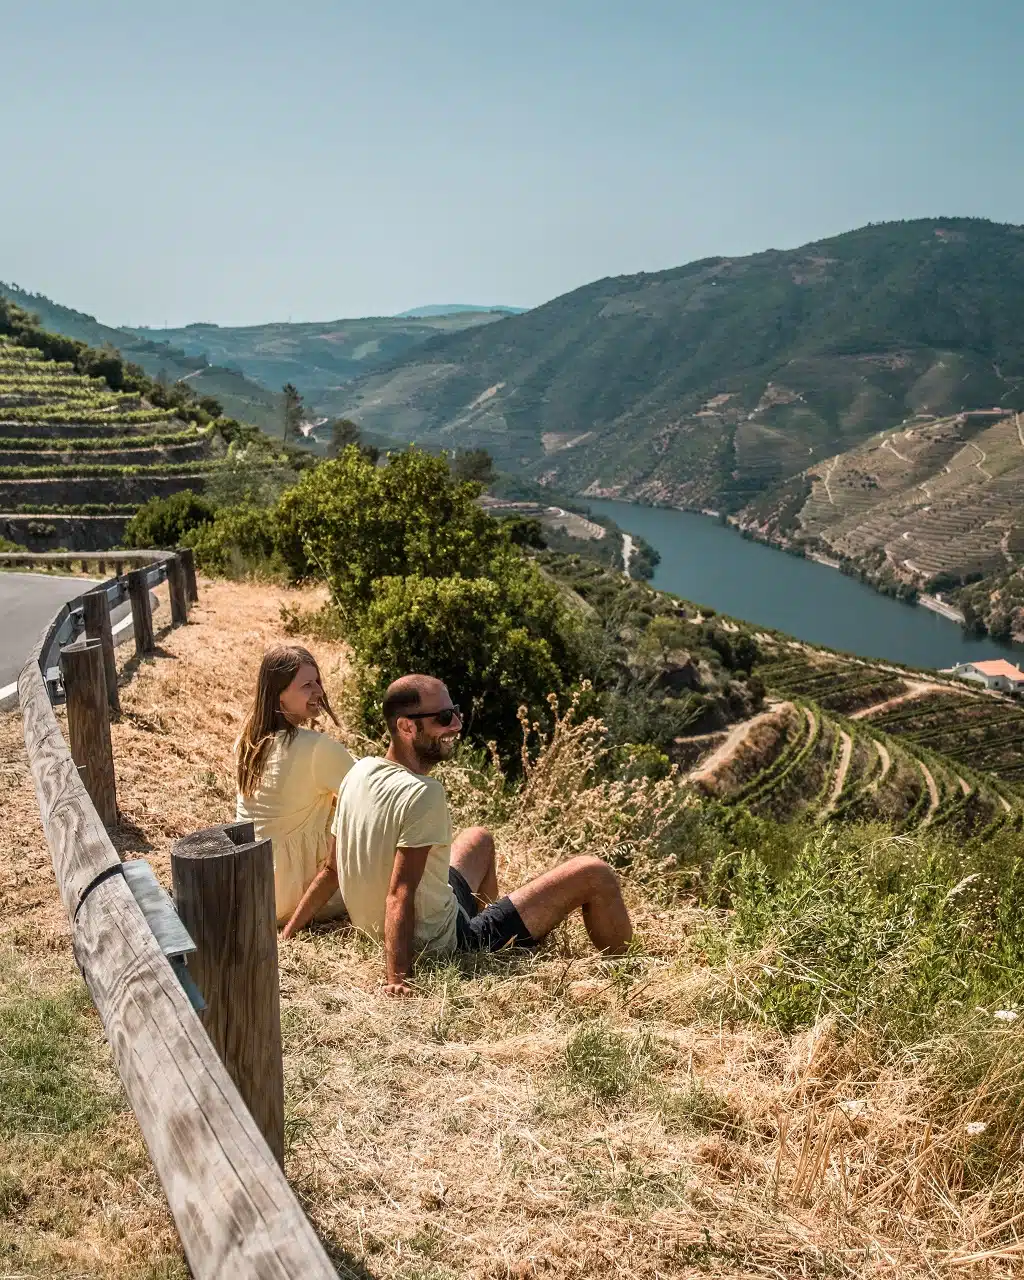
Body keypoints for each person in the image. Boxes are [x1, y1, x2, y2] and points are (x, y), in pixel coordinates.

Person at [282, 674, 633, 992]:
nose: (458, 725)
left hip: (387, 926)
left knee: (479, 838)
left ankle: (498, 930)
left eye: (456, 712)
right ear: (406, 727)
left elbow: (331, 870)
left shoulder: (359, 772)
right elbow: (400, 893)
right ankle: (627, 975)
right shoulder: (423, 793)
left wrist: (287, 934)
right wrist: (398, 981)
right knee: (594, 872)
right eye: (444, 718)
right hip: (443, 943)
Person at [236, 644, 354, 928]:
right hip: (295, 896)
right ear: (279, 695)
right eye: (307, 685)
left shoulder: (247, 742)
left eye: (318, 682)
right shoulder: (316, 749)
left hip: (254, 889)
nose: (319, 692)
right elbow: (371, 793)